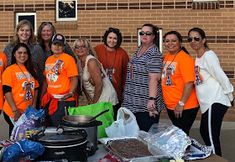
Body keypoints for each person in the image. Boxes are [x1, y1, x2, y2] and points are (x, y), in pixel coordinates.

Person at [188, 27, 234, 156]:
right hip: (207, 103)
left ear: (203, 40)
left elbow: (220, 75)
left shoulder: (209, 56)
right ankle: (216, 156)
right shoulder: (197, 58)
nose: (193, 41)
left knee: (210, 134)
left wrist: (230, 94)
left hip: (215, 100)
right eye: (190, 39)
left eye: (196, 38)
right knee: (205, 131)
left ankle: (216, 159)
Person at [122, 23, 165, 132]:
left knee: (146, 138)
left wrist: (152, 100)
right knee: (134, 138)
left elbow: (154, 78)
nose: (144, 35)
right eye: (142, 33)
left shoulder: (154, 53)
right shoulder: (139, 50)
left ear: (153, 36)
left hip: (145, 105)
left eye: (148, 33)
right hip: (132, 103)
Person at [161, 31, 199, 135]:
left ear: (180, 42)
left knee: (181, 136)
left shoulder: (185, 59)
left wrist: (181, 104)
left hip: (185, 106)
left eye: (174, 41)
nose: (170, 43)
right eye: (167, 41)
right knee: (179, 136)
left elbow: (189, 83)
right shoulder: (167, 56)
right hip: (171, 105)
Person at [41, 33, 78, 127]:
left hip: (64, 100)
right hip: (50, 99)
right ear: (51, 45)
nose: (57, 47)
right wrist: (43, 95)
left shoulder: (68, 59)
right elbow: (46, 79)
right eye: (55, 44)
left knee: (62, 129)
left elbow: (74, 78)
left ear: (64, 47)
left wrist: (70, 92)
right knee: (50, 127)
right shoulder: (48, 59)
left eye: (60, 45)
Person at [2, 43, 39, 135]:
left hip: (27, 111)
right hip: (13, 111)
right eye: (19, 53)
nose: (22, 55)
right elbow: (7, 91)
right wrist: (15, 110)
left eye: (25, 53)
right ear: (14, 54)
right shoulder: (9, 70)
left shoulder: (31, 69)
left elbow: (36, 88)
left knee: (25, 136)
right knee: (16, 136)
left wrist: (33, 106)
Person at [94, 27, 129, 118]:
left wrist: (124, 92)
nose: (112, 41)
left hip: (116, 94)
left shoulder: (122, 53)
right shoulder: (97, 50)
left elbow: (126, 74)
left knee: (113, 120)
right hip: (100, 93)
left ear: (118, 40)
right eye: (110, 37)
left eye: (115, 38)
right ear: (106, 38)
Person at [73, 38, 118, 105]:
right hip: (96, 100)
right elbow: (84, 86)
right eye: (77, 47)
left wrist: (94, 103)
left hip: (106, 100)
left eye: (83, 46)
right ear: (74, 50)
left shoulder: (91, 62)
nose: (80, 49)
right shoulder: (78, 63)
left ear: (88, 49)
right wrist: (89, 101)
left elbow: (99, 85)